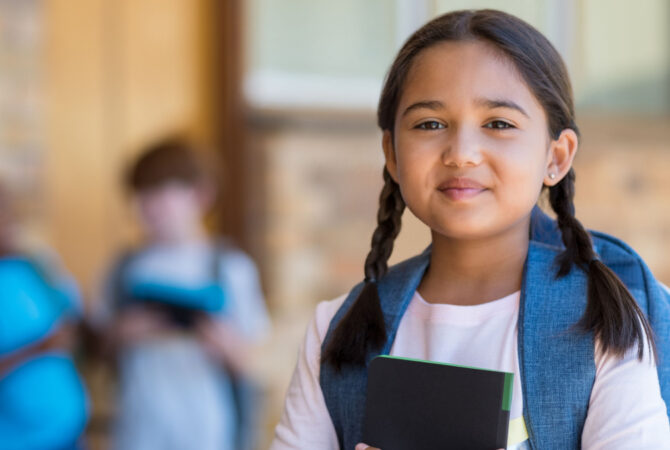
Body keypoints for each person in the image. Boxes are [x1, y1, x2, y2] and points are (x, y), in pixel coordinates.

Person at [271, 9, 670, 450]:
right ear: (392, 152)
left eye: (498, 124)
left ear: (556, 157)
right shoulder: (336, 329)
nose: (461, 154)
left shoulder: (605, 318)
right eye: (430, 124)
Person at [94, 138, 270, 450]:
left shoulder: (231, 268)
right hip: (138, 427)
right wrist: (122, 333)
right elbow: (97, 349)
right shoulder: (123, 268)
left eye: (160, 192)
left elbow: (253, 362)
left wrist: (224, 345)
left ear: (201, 194)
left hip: (209, 428)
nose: (147, 206)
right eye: (141, 194)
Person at [0, 184, 89, 449]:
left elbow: (74, 324)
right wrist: (38, 348)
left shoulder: (37, 265)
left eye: (8, 210)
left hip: (70, 433)